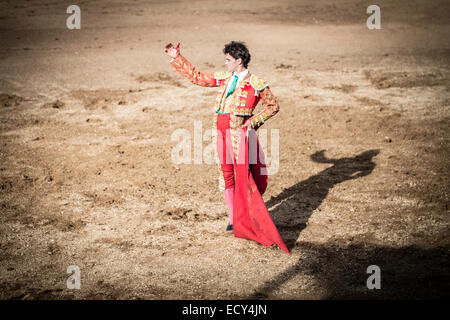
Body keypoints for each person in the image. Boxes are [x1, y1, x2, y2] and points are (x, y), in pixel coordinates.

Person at [165, 41, 290, 254]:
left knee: (245, 177)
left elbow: (273, 106)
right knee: (226, 174)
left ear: (239, 61)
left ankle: (247, 214)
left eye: (228, 60)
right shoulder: (224, 78)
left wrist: (253, 121)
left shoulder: (256, 83)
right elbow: (197, 77)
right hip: (220, 133)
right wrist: (177, 57)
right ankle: (234, 219)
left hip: (240, 137)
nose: (225, 62)